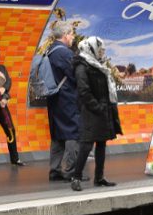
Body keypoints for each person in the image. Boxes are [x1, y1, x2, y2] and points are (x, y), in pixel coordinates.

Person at [70, 37, 123, 191]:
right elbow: (84, 91)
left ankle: (99, 177)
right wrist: (98, 107)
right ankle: (76, 177)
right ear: (91, 49)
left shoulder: (97, 64)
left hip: (102, 109)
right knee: (86, 144)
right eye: (100, 50)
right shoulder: (82, 66)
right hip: (91, 110)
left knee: (101, 143)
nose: (102, 52)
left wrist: (104, 107)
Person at [46, 22, 81, 181]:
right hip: (67, 99)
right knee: (74, 133)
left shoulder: (50, 50)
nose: (73, 37)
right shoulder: (65, 54)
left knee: (57, 134)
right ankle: (69, 170)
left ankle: (55, 170)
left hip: (53, 98)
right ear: (65, 35)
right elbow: (77, 76)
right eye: (72, 34)